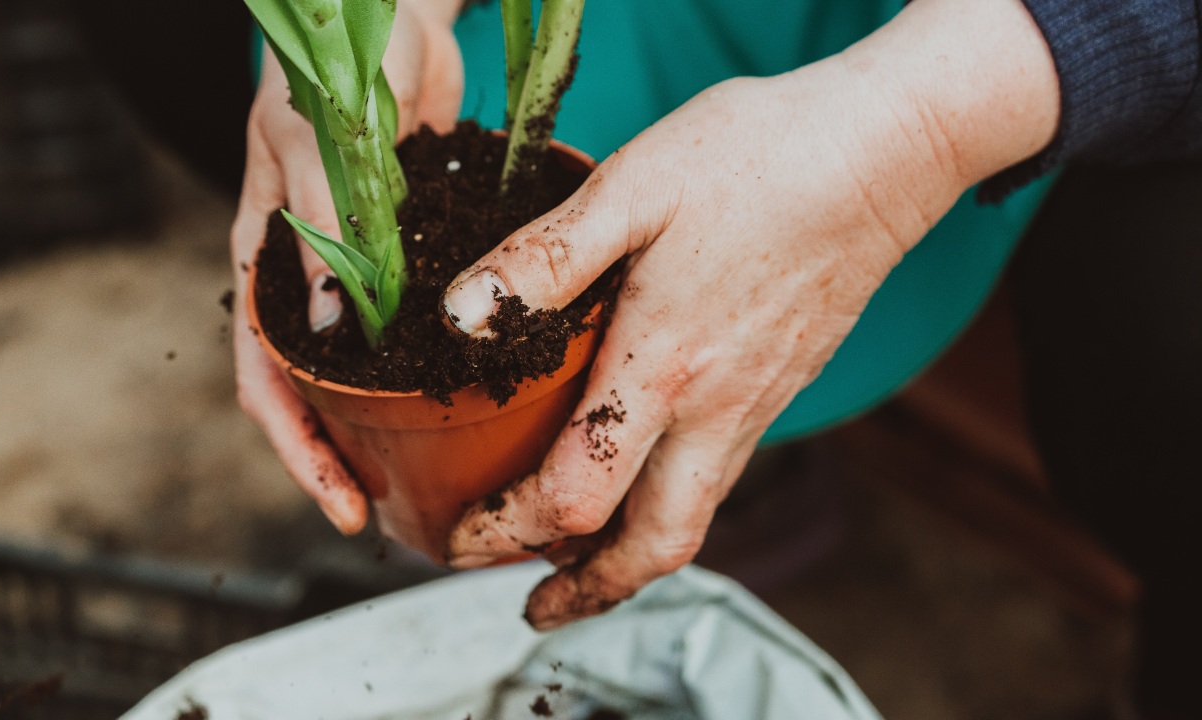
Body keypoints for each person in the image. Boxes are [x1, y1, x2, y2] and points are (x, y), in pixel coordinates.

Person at [229, 1, 1201, 717]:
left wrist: (911, 133)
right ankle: (667, 469)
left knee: (1162, 333)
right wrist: (344, 43)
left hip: (996, 43)